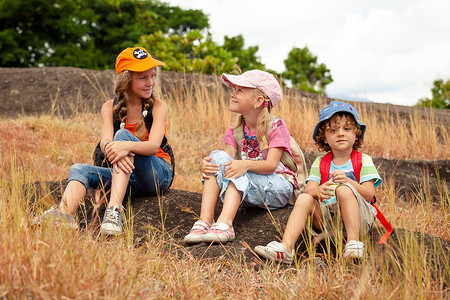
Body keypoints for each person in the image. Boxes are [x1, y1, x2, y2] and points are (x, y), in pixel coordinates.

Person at [33, 47, 174, 235]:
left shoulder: (158, 106)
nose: (151, 83)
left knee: (121, 136)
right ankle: (63, 215)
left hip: (157, 174)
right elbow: (104, 142)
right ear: (127, 79)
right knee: (78, 169)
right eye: (143, 78)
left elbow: (152, 146)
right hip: (126, 178)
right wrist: (116, 147)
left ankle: (114, 210)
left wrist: (125, 145)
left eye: (153, 76)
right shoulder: (109, 107)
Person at [254, 101, 382, 263]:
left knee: (343, 189)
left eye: (347, 129)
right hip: (328, 220)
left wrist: (349, 182)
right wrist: (318, 190)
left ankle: (353, 243)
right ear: (325, 138)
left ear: (356, 134)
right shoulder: (321, 162)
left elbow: (369, 195)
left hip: (359, 219)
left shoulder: (363, 160)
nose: (340, 133)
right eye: (333, 130)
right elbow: (309, 190)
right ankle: (286, 248)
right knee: (304, 198)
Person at [183, 70, 297, 244]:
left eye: (240, 90)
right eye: (234, 89)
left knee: (238, 168)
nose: (233, 94)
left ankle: (226, 223)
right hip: (249, 185)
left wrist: (245, 165)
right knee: (216, 156)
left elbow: (271, 165)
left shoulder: (275, 125)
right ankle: (205, 221)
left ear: (259, 101)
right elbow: (226, 164)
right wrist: (206, 166)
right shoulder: (235, 130)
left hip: (277, 185)